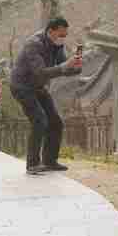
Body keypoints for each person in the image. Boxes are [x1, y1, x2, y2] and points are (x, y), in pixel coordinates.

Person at [10, 17, 82, 175]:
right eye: (60, 35)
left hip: (38, 86)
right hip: (22, 86)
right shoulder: (34, 44)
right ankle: (32, 164)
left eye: (65, 35)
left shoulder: (56, 45)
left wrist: (76, 66)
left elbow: (62, 69)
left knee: (55, 122)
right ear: (50, 31)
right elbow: (41, 72)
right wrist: (64, 66)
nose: (63, 38)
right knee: (39, 120)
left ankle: (49, 161)